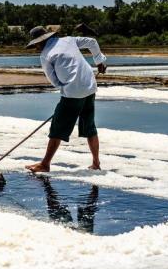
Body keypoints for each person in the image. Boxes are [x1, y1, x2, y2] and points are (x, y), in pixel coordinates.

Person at [24, 26, 107, 172]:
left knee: (57, 128)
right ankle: (96, 163)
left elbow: (54, 80)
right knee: (89, 126)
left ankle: (45, 164)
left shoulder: (45, 55)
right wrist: (99, 61)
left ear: (40, 42)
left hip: (72, 93)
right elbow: (92, 42)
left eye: (36, 44)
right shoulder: (69, 40)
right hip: (90, 86)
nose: (36, 47)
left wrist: (67, 89)